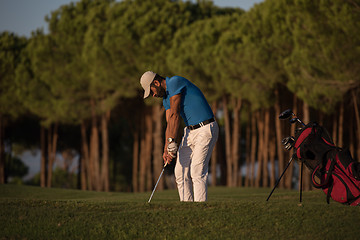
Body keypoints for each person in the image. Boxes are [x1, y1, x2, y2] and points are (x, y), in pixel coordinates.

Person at [140, 71, 219, 202]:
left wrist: (171, 142)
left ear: (156, 82)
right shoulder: (166, 99)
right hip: (190, 132)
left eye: (152, 91)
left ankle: (200, 210)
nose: (153, 95)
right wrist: (166, 148)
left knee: (197, 171)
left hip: (205, 129)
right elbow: (169, 122)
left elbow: (175, 115)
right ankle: (186, 208)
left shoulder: (175, 82)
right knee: (180, 172)